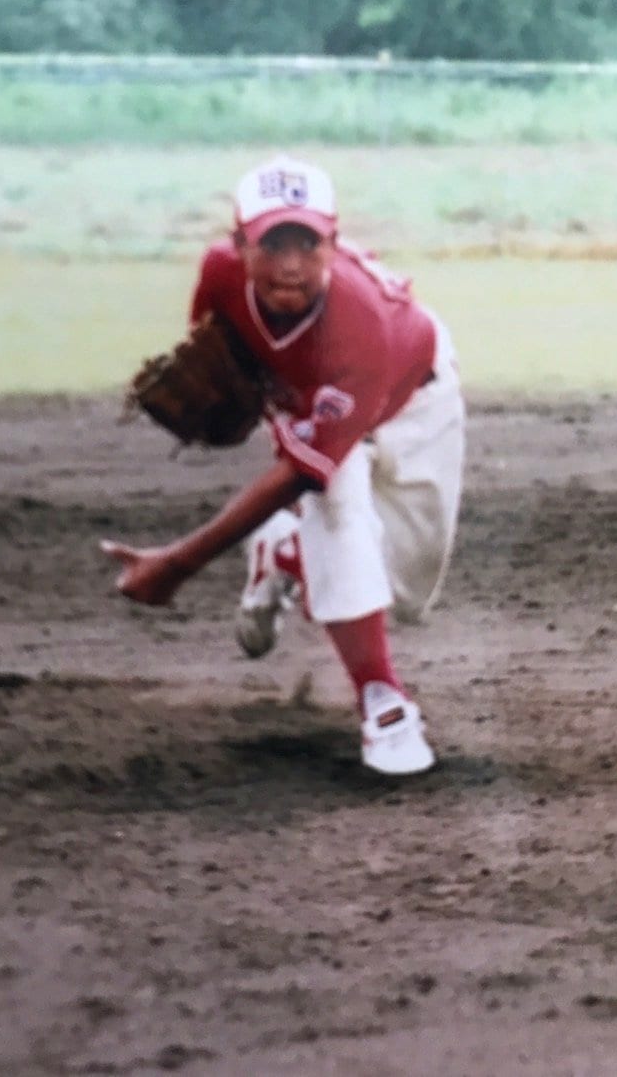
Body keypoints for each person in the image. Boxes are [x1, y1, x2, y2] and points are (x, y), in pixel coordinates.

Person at [100, 154, 465, 776]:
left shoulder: (360, 321)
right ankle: (383, 701)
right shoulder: (218, 274)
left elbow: (299, 470)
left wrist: (178, 563)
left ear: (334, 240)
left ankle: (286, 553)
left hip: (416, 398)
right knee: (336, 503)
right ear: (239, 243)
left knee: (405, 590)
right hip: (316, 406)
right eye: (272, 244)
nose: (290, 263)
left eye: (307, 242)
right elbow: (236, 365)